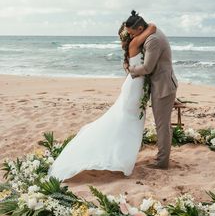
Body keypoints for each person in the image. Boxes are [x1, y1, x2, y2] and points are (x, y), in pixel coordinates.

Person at [48, 20, 156, 181]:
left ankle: (122, 156)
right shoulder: (134, 44)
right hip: (134, 89)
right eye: (132, 33)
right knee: (128, 122)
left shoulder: (133, 44)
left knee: (129, 121)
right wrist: (140, 26)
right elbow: (152, 27)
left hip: (137, 87)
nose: (134, 34)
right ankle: (121, 158)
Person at [127, 10, 178, 169]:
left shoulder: (153, 40)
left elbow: (148, 67)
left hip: (163, 87)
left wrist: (131, 69)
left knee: (162, 125)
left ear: (140, 29)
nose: (131, 37)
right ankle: (163, 158)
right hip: (164, 83)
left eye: (132, 33)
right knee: (164, 124)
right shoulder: (152, 32)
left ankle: (162, 162)